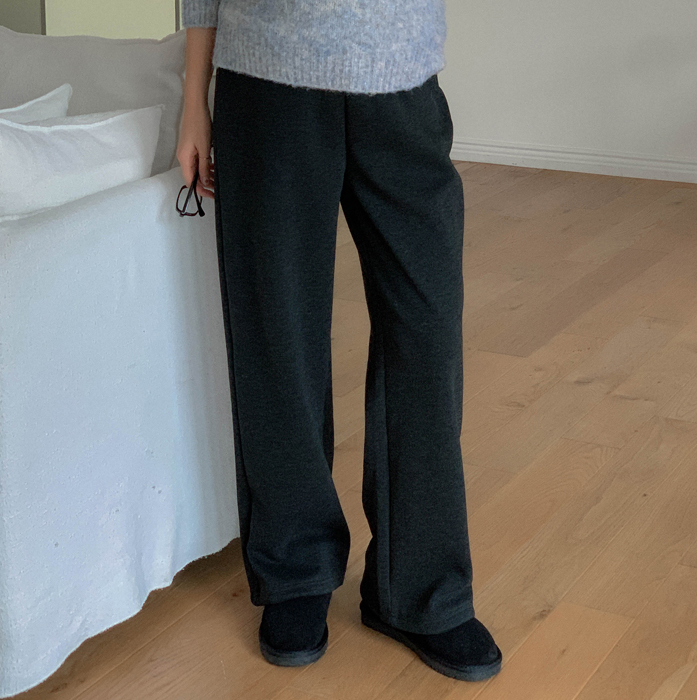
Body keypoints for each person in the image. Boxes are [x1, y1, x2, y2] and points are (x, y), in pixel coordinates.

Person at [176, 0, 502, 683]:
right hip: (266, 76)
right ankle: (296, 570)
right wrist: (194, 98)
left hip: (403, 77)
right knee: (277, 335)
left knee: (426, 331)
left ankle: (421, 590)